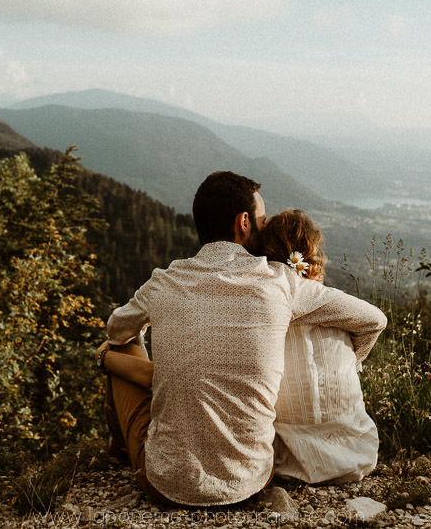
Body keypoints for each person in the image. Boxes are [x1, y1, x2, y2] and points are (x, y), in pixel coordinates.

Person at [97, 171, 387, 507]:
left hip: (165, 485)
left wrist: (144, 333)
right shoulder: (281, 282)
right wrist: (352, 363)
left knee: (118, 346)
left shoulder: (163, 282)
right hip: (249, 482)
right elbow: (372, 319)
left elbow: (116, 328)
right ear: (244, 222)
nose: (264, 230)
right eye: (262, 221)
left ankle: (117, 451)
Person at [259, 209, 380, 484]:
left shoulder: (260, 301)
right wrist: (353, 360)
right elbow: (376, 320)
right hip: (355, 454)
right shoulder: (325, 300)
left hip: (286, 460)